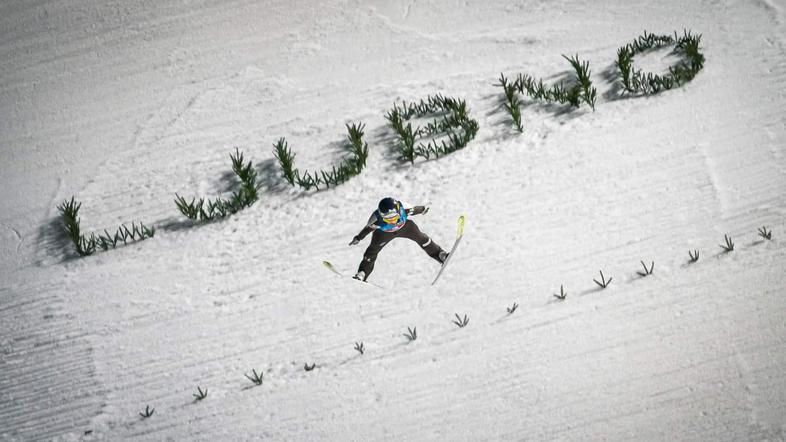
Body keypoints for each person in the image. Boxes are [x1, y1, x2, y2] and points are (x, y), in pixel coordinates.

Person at [349, 197, 448, 281]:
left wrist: (423, 209)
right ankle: (363, 273)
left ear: (399, 211)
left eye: (394, 217)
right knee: (372, 251)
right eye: (388, 219)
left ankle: (440, 255)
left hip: (406, 227)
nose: (392, 221)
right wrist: (358, 238)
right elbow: (367, 229)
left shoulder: (404, 208)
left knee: (423, 238)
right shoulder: (375, 219)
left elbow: (415, 209)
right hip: (383, 233)